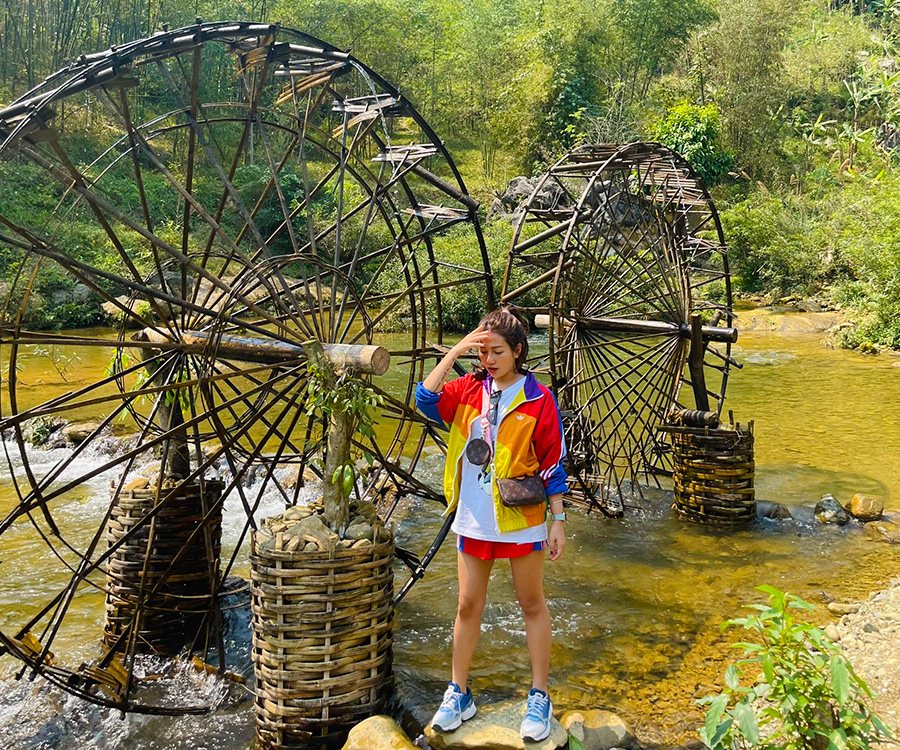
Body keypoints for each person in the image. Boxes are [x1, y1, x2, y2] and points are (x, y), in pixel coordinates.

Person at [415, 307, 567, 743]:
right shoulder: (466, 390)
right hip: (475, 517)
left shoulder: (539, 398)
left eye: (497, 351)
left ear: (518, 352)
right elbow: (426, 399)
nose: (489, 359)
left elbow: (553, 465)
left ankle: (539, 694)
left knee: (531, 603)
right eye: (483, 352)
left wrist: (557, 520)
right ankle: (459, 692)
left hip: (521, 517)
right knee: (467, 605)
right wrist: (459, 349)